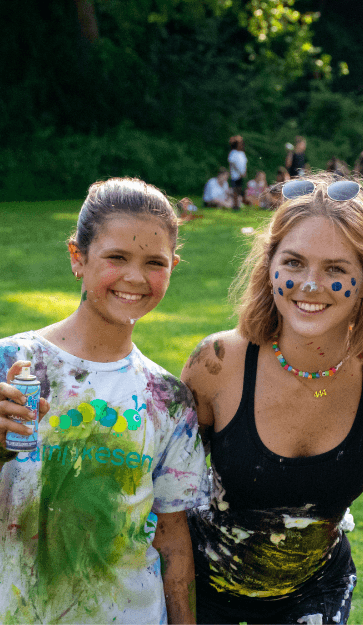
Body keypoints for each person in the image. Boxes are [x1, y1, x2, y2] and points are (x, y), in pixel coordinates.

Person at [182, 173, 363, 624]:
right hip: (205, 590)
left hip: (316, 594)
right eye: (293, 263)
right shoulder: (218, 363)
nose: (310, 284)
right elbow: (162, 496)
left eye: (335, 269)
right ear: (268, 267)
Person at [0, 177, 209, 624]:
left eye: (154, 262)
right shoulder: (10, 364)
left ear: (173, 266)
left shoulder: (169, 400)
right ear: (78, 257)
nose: (135, 277)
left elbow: (172, 538)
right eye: (117, 257)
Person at [228, 135, 247, 210]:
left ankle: (238, 204)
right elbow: (233, 164)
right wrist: (240, 172)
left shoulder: (242, 153)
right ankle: (235, 205)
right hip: (235, 175)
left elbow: (244, 164)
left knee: (240, 190)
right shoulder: (233, 153)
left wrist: (244, 172)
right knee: (235, 190)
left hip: (241, 175)